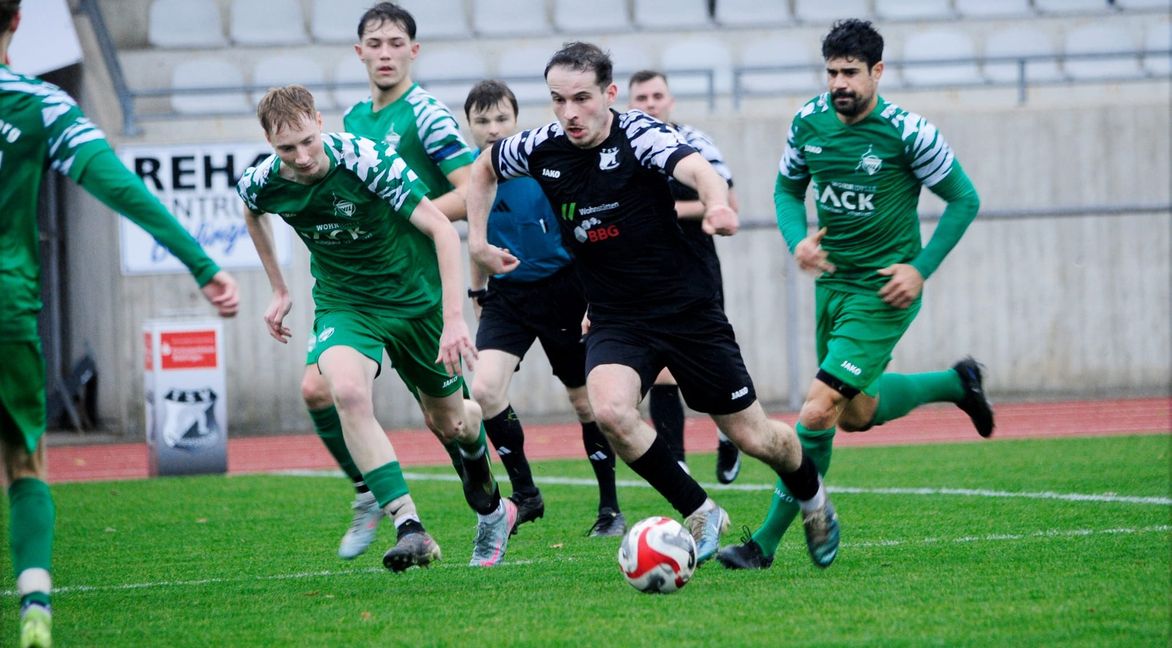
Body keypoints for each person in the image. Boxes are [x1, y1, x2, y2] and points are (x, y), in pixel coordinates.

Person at [466, 42, 840, 566]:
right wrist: (478, 242)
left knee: (753, 436)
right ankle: (700, 509)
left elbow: (698, 170)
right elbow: (483, 168)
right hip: (617, 315)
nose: (569, 113)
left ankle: (813, 497)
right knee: (611, 410)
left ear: (609, 93)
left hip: (686, 310)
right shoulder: (541, 145)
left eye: (581, 98)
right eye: (557, 100)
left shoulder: (642, 134)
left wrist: (715, 206)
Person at [0, 2, 240, 646]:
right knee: (24, 463)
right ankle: (34, 605)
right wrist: (200, 263)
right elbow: (119, 187)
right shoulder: (40, 106)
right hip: (9, 310)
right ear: (17, 22)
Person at [717, 19, 994, 570]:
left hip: (884, 292)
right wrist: (798, 241)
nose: (839, 82)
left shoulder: (909, 132)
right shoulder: (808, 122)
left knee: (816, 412)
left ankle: (765, 543)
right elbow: (786, 189)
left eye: (850, 72)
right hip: (834, 288)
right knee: (854, 415)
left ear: (877, 72)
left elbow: (964, 199)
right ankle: (957, 382)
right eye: (831, 72)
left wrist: (920, 269)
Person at [238, 85, 516, 570]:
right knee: (344, 391)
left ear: (320, 122)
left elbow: (442, 231)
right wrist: (279, 288)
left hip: (413, 302)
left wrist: (454, 320)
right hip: (346, 304)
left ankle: (490, 502)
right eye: (287, 148)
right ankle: (408, 525)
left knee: (450, 422)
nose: (302, 157)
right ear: (268, 142)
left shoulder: (367, 159)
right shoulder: (262, 181)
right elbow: (251, 212)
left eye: (308, 141)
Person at [302, 2, 481, 561]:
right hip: (359, 292)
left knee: (446, 420)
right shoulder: (353, 121)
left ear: (413, 50)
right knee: (319, 388)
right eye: (374, 43)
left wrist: (412, 211)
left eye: (395, 43)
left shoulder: (425, 113)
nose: (384, 53)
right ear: (359, 52)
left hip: (417, 288)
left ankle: (483, 471)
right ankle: (369, 493)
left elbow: (473, 187)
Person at [463, 79, 625, 537]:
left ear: (516, 120)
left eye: (501, 119)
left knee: (584, 401)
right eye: (483, 121)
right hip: (508, 297)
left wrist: (595, 298)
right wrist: (477, 294)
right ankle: (526, 494)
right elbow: (475, 243)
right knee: (486, 390)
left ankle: (610, 509)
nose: (493, 129)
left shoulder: (544, 164)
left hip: (565, 291)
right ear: (470, 126)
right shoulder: (471, 176)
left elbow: (587, 235)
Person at [627, 69, 742, 484]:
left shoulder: (696, 142)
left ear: (670, 100)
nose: (651, 103)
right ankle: (676, 459)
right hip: (649, 271)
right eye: (642, 97)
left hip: (696, 264)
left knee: (712, 361)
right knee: (661, 367)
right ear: (629, 103)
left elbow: (727, 199)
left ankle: (729, 435)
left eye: (657, 95)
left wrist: (666, 212)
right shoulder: (624, 149)